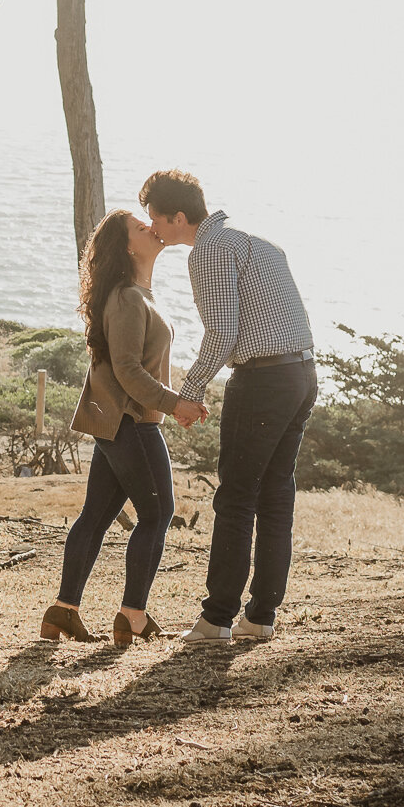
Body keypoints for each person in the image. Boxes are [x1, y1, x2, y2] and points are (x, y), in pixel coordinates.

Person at [139, 169, 317, 647]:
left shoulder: (209, 251)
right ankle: (260, 616)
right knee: (276, 495)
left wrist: (189, 393)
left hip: (262, 379)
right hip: (302, 374)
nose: (151, 226)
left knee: (236, 497)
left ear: (179, 217)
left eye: (155, 217)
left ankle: (216, 619)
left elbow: (223, 332)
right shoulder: (259, 242)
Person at [41, 209, 207, 648]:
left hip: (115, 423)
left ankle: (64, 609)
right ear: (129, 247)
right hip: (132, 422)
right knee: (157, 514)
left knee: (95, 516)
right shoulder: (129, 298)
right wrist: (176, 405)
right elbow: (129, 371)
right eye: (140, 227)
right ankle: (133, 614)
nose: (151, 229)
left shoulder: (134, 294)